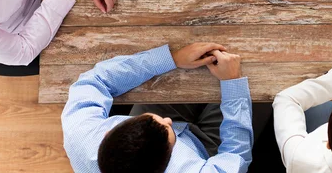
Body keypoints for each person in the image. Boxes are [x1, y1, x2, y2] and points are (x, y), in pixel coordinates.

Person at [62, 42, 253, 173]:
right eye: (170, 132)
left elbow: (94, 80)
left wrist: (173, 58)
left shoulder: (81, 136)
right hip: (206, 151)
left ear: (106, 134)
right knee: (250, 87)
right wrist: (233, 83)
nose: (169, 121)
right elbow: (236, 156)